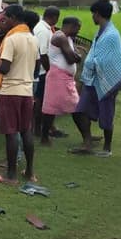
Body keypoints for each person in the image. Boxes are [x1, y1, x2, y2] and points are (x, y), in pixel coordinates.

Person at [0, 4, 39, 185]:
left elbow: (4, 68)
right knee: (26, 131)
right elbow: (37, 67)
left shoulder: (11, 39)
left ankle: (11, 176)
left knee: (11, 132)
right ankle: (30, 172)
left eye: (5, 19)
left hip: (10, 90)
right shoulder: (33, 39)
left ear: (13, 18)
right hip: (27, 90)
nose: (4, 22)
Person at [70, 0, 121, 157]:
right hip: (92, 79)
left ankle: (107, 148)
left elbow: (107, 59)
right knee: (80, 110)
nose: (92, 17)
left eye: (93, 14)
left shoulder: (111, 34)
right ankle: (87, 143)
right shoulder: (101, 32)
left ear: (98, 14)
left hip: (107, 80)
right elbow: (95, 55)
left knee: (106, 114)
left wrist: (88, 61)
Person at [41, 17, 82, 146]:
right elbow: (72, 58)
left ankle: (45, 136)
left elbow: (75, 55)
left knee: (53, 108)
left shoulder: (68, 38)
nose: (78, 32)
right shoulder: (60, 37)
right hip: (58, 77)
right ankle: (87, 137)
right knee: (72, 107)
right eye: (77, 28)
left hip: (63, 78)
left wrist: (76, 56)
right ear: (71, 26)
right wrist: (77, 56)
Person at [32, 6, 60, 137]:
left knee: (42, 100)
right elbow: (43, 54)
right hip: (43, 71)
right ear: (54, 17)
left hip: (43, 70)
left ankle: (45, 127)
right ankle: (38, 129)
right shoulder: (43, 30)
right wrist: (50, 71)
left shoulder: (45, 28)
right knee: (40, 101)